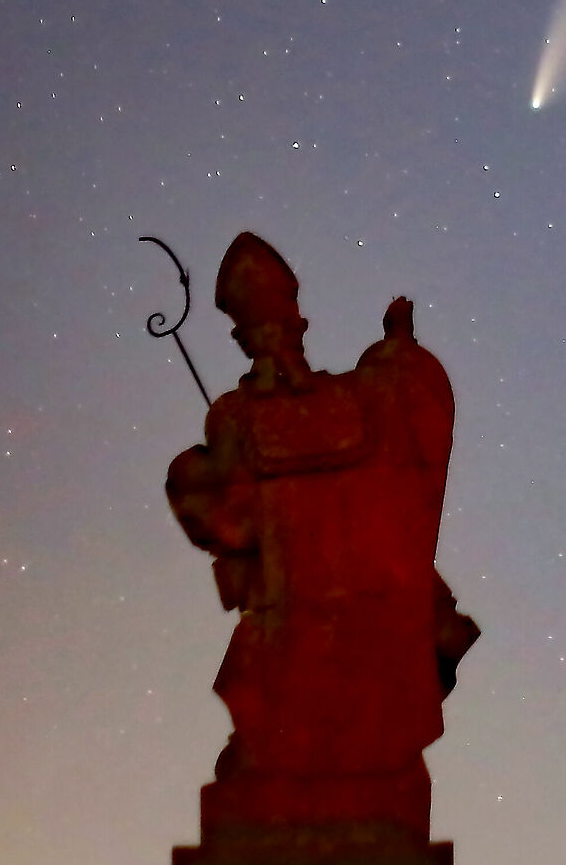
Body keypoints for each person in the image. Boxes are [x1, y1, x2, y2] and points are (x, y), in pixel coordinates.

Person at [164, 233, 477, 824]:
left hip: (347, 624)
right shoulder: (240, 415)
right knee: (282, 710)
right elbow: (229, 521)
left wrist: (399, 349)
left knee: (340, 717)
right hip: (289, 621)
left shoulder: (337, 401)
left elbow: (402, 418)